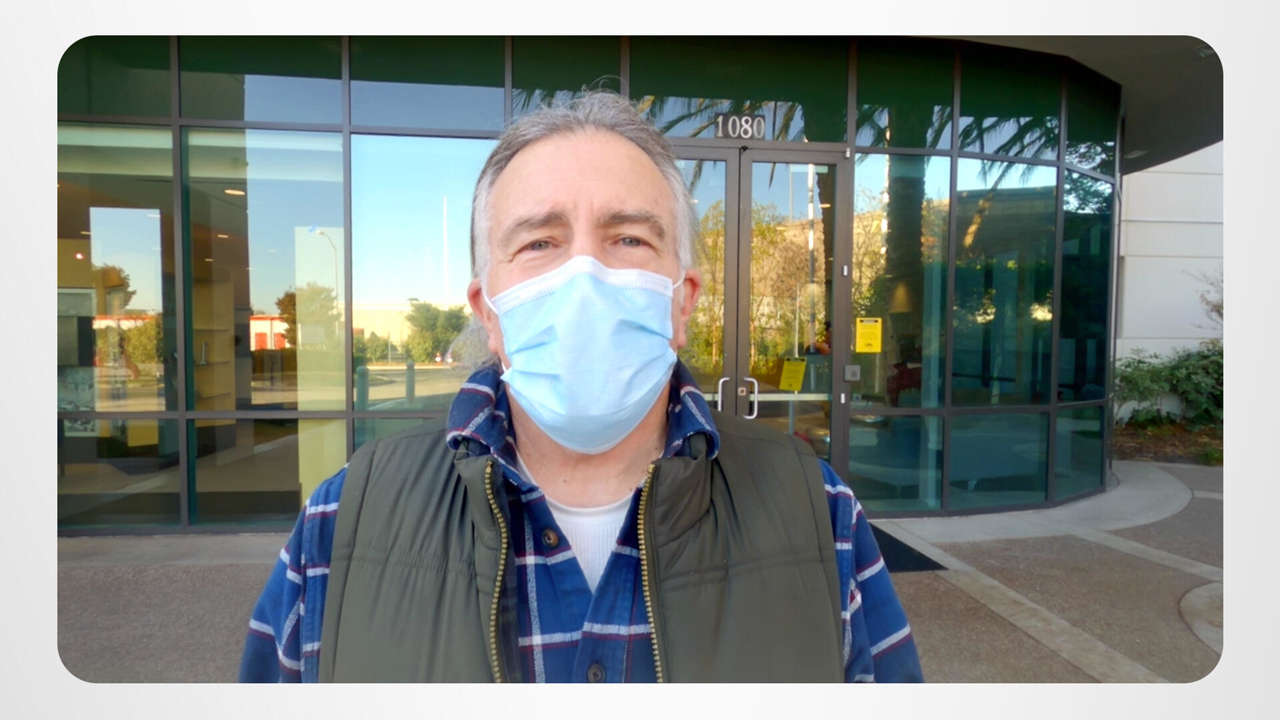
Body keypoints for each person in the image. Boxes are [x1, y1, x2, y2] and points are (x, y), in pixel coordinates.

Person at [239, 91, 922, 683]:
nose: (585, 276)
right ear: (487, 312)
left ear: (682, 302)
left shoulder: (821, 517)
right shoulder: (340, 528)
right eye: (539, 242)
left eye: (629, 239)